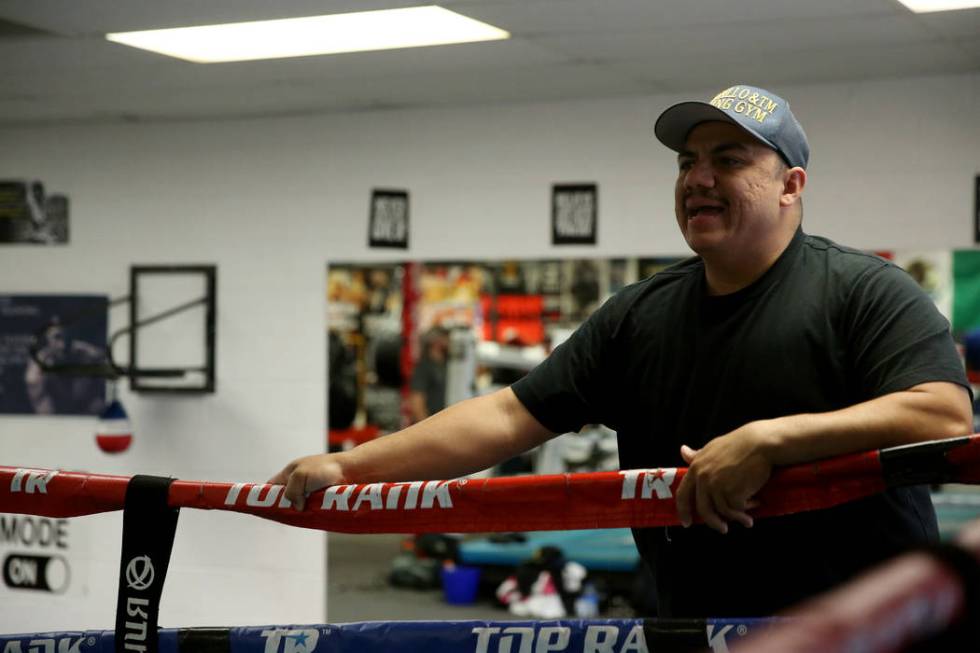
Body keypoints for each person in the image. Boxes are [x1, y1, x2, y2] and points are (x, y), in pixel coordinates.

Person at [272, 84, 973, 617]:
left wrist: (768, 441)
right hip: (689, 623)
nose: (698, 177)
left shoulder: (862, 291)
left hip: (856, 628)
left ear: (791, 185)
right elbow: (510, 417)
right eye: (687, 162)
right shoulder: (640, 315)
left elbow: (941, 416)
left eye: (729, 160)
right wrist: (348, 463)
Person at [408, 326, 450, 423]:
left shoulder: (446, 364)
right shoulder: (424, 367)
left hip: (444, 423)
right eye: (446, 337)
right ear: (436, 341)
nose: (449, 341)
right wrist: (426, 427)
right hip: (432, 425)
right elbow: (416, 401)